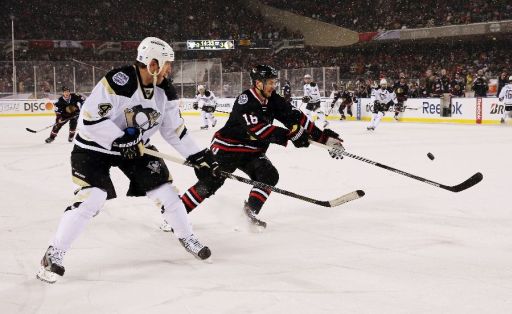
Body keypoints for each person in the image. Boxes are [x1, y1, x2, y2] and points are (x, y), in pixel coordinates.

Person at [36, 37, 218, 284]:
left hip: (136, 148)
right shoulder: (118, 81)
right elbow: (88, 121)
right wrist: (120, 139)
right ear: (153, 64)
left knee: (166, 191)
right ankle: (53, 253)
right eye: (167, 65)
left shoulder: (166, 91)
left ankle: (186, 236)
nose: (170, 70)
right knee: (93, 197)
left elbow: (174, 130)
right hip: (94, 148)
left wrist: (199, 157)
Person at [178, 65, 344, 228]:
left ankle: (250, 212)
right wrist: (290, 135)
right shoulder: (245, 101)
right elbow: (259, 130)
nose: (274, 86)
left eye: (274, 82)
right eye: (270, 82)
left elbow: (297, 117)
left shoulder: (273, 100)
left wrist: (324, 139)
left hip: (252, 150)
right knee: (212, 181)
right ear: (258, 83)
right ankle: (175, 215)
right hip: (228, 147)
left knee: (269, 176)